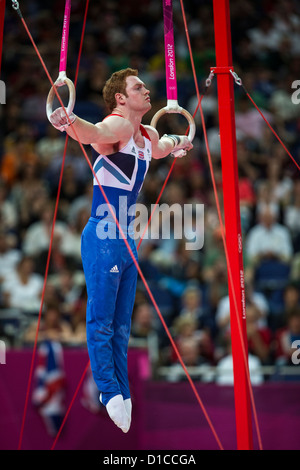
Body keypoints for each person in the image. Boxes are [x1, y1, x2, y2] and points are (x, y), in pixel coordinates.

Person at [49, 68, 193, 433]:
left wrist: (181, 142)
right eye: (138, 87)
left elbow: (162, 147)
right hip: (102, 235)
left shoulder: (147, 134)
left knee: (123, 325)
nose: (147, 90)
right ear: (121, 98)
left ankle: (123, 392)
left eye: (145, 86)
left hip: (128, 239)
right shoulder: (118, 126)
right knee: (102, 320)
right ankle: (108, 391)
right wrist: (67, 119)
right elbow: (93, 134)